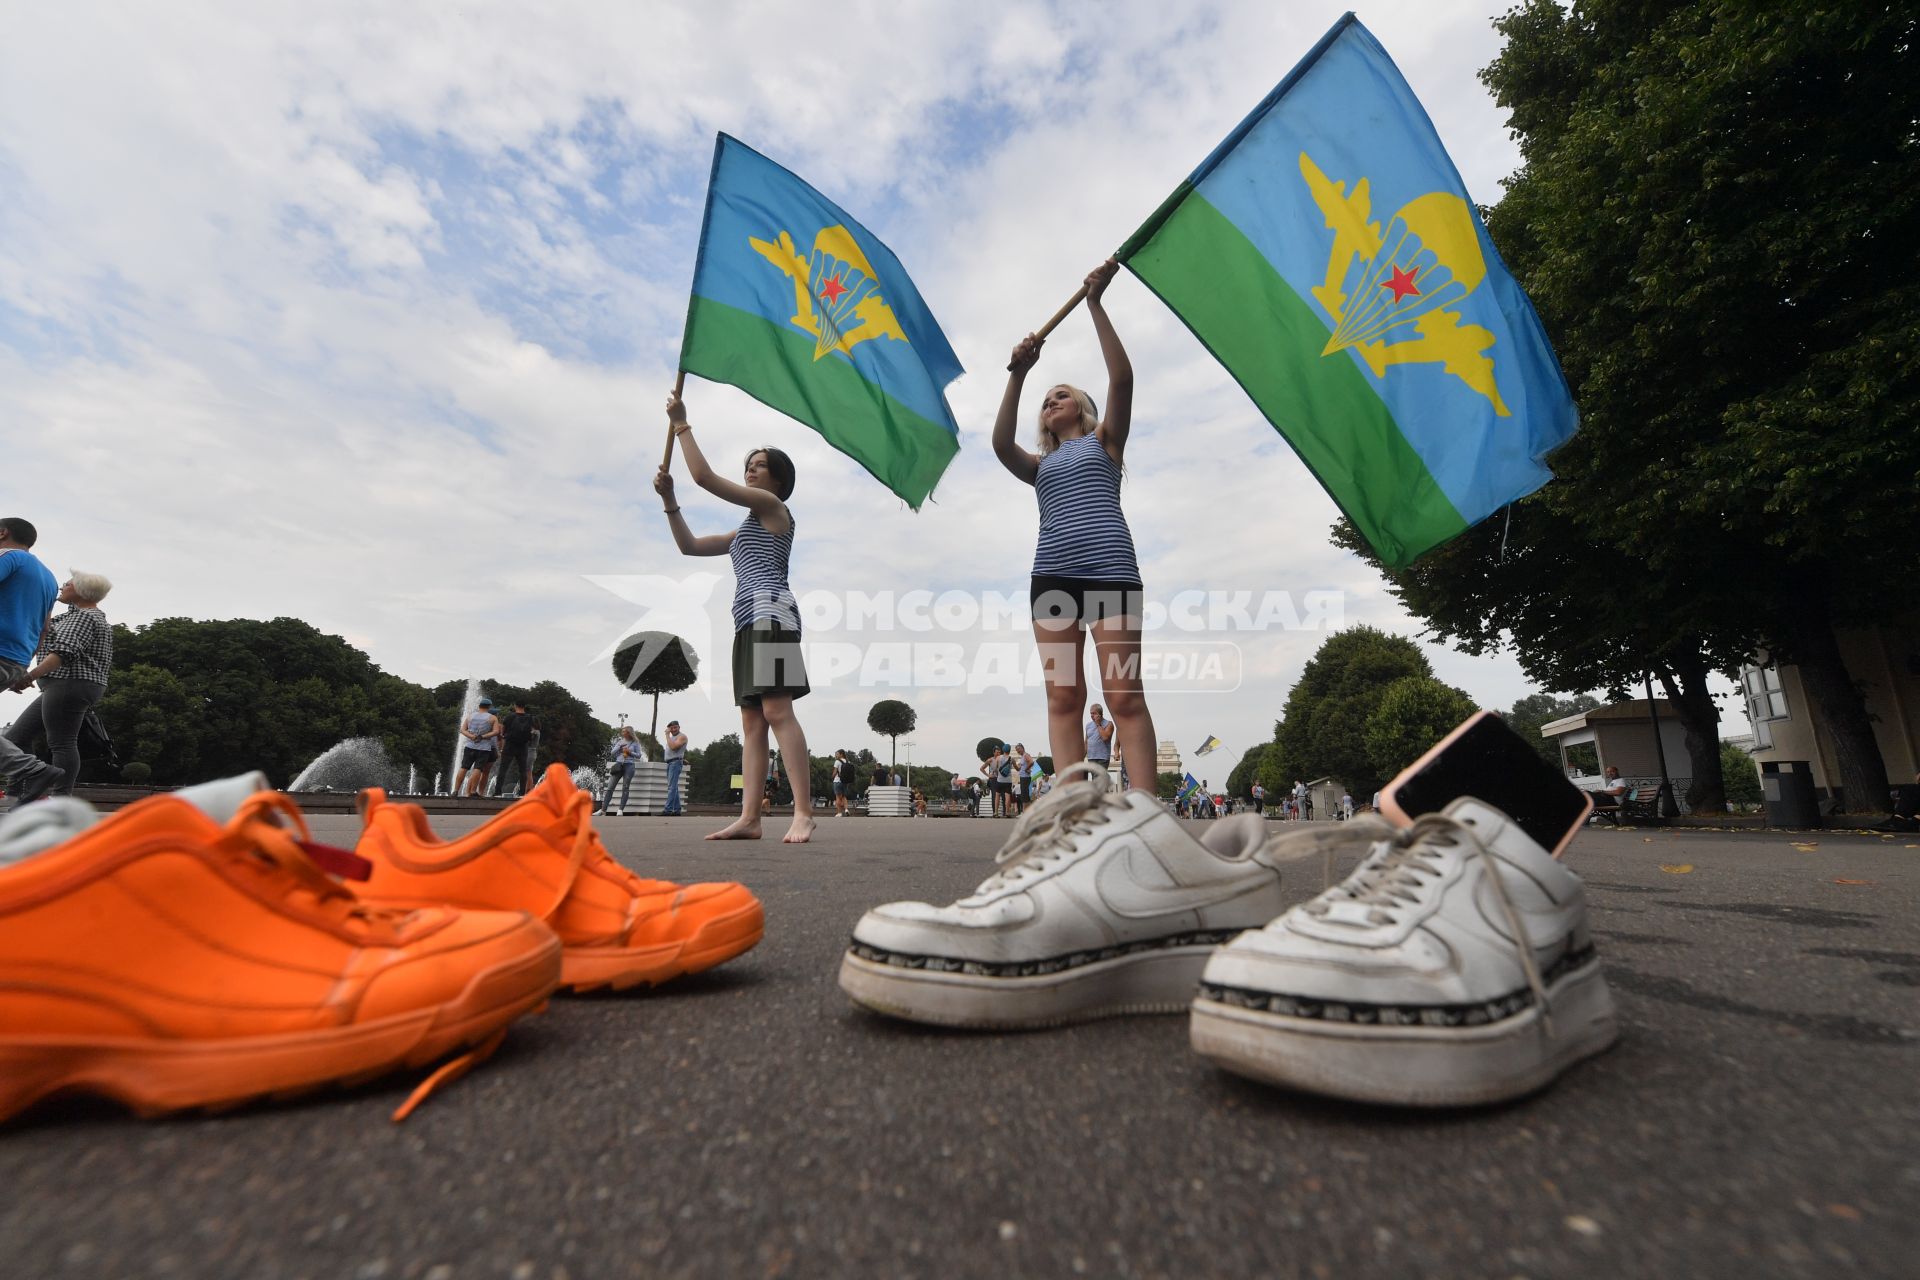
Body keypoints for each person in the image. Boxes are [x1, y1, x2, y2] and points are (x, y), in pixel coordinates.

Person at [995, 260, 1157, 794]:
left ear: (1083, 409)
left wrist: (1095, 303)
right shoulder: (1039, 467)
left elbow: (1124, 377)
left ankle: (1146, 807)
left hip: (1110, 573)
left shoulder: (1106, 443)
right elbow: (998, 445)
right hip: (1054, 580)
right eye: (1045, 402)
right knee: (1063, 697)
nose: (1051, 402)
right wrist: (1018, 373)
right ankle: (1072, 807)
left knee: (1123, 694)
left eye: (1061, 395)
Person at [656, 392, 814, 843]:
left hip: (773, 614)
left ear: (778, 481)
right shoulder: (744, 528)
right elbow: (688, 546)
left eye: (760, 465)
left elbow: (703, 476)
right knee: (751, 723)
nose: (751, 468)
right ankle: (750, 818)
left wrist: (682, 424)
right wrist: (670, 501)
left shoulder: (774, 510)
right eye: (750, 463)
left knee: (777, 709)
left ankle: (803, 812)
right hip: (747, 621)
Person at [5, 569, 113, 799]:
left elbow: (62, 653)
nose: (61, 587)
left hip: (71, 683)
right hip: (61, 685)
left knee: (62, 742)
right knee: (16, 738)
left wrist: (28, 676)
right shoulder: (72, 616)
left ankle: (61, 799)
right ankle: (19, 792)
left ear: (82, 591)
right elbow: (43, 628)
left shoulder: (86, 617)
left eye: (67, 584)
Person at [0, 518, 63, 807]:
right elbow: (44, 628)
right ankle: (31, 769)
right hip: (16, 658)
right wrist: (22, 669)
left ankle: (30, 768)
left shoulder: (8, 557)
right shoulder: (49, 578)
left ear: (3, 533)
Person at [453, 696, 501, 797]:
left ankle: (455, 790)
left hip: (470, 745)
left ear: (479, 706)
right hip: (484, 747)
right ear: (489, 706)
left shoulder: (470, 716)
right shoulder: (492, 718)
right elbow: (496, 731)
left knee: (464, 767)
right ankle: (474, 791)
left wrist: (471, 736)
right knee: (478, 768)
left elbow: (462, 730)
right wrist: (482, 736)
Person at [494, 701, 537, 797]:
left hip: (510, 745)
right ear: (524, 706)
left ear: (515, 706)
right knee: (522, 770)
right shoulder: (530, 718)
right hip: (523, 746)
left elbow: (502, 731)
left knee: (503, 769)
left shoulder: (510, 717)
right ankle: (522, 793)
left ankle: (497, 792)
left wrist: (503, 737)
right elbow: (532, 731)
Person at [604, 725, 643, 816]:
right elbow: (612, 753)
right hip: (619, 765)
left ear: (629, 733)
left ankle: (620, 809)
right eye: (622, 731)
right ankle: (603, 810)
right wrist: (620, 748)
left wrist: (630, 752)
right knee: (610, 788)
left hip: (629, 766)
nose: (622, 733)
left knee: (625, 787)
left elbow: (639, 755)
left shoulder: (635, 743)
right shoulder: (620, 742)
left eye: (624, 731)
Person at [662, 719, 688, 816]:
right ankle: (677, 810)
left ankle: (668, 810)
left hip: (675, 763)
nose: (673, 729)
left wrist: (667, 735)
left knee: (672, 787)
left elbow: (673, 747)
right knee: (674, 787)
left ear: (679, 727)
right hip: (671, 762)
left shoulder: (682, 736)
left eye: (675, 727)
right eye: (671, 728)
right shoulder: (672, 738)